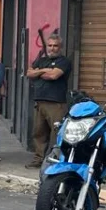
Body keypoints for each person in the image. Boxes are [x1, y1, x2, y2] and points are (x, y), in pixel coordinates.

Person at [25, 34, 72, 169]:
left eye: (55, 45)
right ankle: (38, 159)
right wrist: (45, 70)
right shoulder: (42, 60)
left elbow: (53, 75)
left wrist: (39, 72)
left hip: (56, 103)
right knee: (39, 132)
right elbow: (29, 73)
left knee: (56, 134)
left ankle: (54, 160)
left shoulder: (64, 61)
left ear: (60, 47)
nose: (52, 48)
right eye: (50, 45)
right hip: (40, 102)